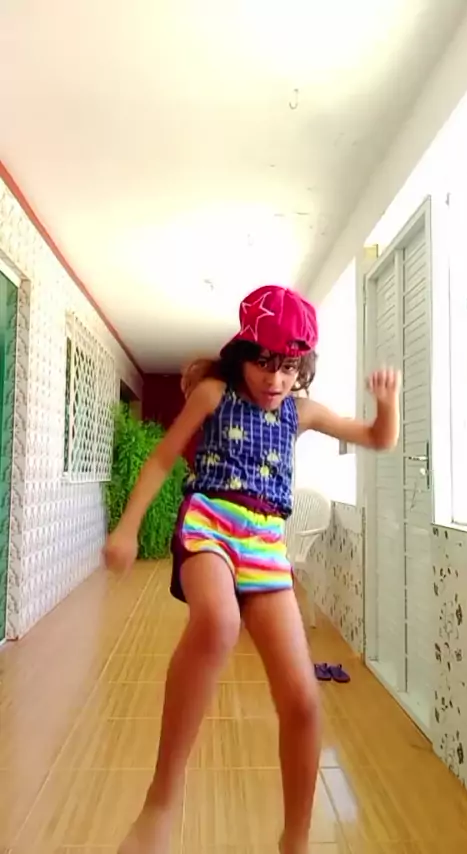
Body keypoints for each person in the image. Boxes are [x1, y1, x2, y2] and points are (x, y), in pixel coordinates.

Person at [104, 285, 400, 854]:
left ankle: (296, 838)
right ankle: (161, 800)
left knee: (303, 699)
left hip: (266, 541)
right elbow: (164, 457)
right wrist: (126, 527)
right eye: (265, 363)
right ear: (242, 355)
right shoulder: (214, 393)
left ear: (301, 369)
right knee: (218, 623)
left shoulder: (299, 412)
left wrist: (387, 406)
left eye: (289, 368)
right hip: (211, 520)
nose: (276, 379)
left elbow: (376, 438)